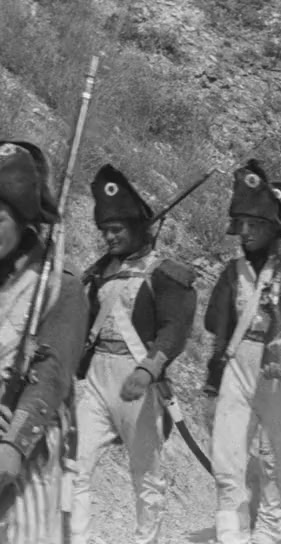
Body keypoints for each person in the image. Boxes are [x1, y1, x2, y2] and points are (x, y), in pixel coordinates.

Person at [71, 165, 198, 544]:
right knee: (74, 464)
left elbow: (174, 330)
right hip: (97, 377)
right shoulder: (99, 276)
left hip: (139, 377)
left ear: (138, 228)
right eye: (105, 231)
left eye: (117, 229)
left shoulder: (165, 274)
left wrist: (149, 368)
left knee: (146, 474)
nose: (109, 237)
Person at [202, 161, 281, 544]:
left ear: (273, 226)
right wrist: (212, 381)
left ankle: (269, 531)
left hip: (280, 369)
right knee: (227, 457)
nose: (246, 232)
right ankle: (232, 531)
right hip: (239, 364)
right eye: (242, 224)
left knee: (274, 460)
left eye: (254, 224)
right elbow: (217, 327)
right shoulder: (234, 270)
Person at [0, 141, 89, 543]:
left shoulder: (61, 289)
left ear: (23, 221)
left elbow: (50, 377)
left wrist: (14, 444)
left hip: (27, 453)